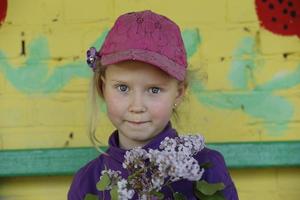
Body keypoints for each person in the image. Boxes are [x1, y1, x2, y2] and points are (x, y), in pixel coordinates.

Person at [68, 10, 238, 200]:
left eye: (154, 90)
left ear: (178, 93)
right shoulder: (88, 182)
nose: (137, 106)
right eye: (123, 88)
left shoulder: (206, 168)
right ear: (102, 88)